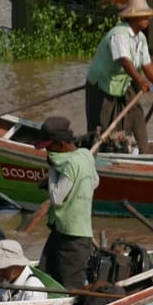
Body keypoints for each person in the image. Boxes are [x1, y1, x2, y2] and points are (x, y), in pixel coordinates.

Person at [24, 119, 100, 293]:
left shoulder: (69, 164)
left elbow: (57, 197)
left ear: (60, 144)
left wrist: (52, 171)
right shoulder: (85, 155)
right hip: (64, 231)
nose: (48, 152)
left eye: (49, 148)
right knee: (46, 275)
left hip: (72, 239)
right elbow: (95, 182)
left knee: (71, 288)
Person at [84, 0, 153, 152]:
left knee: (136, 114)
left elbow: (146, 63)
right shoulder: (119, 34)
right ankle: (97, 156)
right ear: (134, 18)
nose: (148, 18)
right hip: (103, 84)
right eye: (144, 16)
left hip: (123, 82)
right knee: (102, 127)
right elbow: (124, 61)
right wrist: (141, 81)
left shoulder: (140, 38)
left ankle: (144, 152)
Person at [0, 239, 46, 305]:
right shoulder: (6, 281)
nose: (0, 272)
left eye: (4, 268)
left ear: (17, 266)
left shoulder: (33, 290)